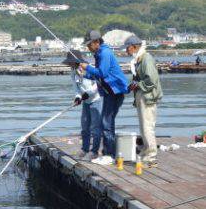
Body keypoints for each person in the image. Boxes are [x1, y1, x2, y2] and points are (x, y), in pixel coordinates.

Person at [79, 30, 128, 164]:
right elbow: (98, 75)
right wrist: (85, 74)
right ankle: (108, 153)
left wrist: (87, 67)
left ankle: (109, 155)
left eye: (89, 44)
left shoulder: (105, 53)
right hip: (109, 91)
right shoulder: (99, 53)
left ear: (97, 42)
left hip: (115, 91)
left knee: (106, 123)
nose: (88, 47)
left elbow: (102, 73)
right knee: (107, 122)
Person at [125, 35, 163, 168]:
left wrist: (138, 85)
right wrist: (135, 84)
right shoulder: (139, 59)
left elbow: (151, 80)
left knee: (147, 127)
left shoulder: (146, 58)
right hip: (142, 95)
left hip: (147, 97)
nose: (126, 51)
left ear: (134, 46)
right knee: (143, 127)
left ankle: (151, 157)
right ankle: (146, 151)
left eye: (127, 48)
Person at [62, 50, 102, 160]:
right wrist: (78, 97)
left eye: (71, 62)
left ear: (76, 61)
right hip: (86, 102)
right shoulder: (73, 72)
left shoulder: (89, 69)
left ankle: (94, 151)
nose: (69, 65)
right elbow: (76, 88)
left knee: (95, 128)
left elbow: (97, 85)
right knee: (85, 127)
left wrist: (87, 94)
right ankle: (84, 149)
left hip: (96, 100)